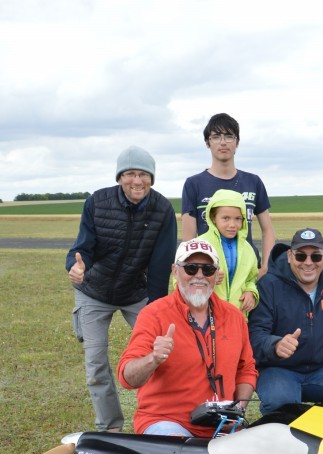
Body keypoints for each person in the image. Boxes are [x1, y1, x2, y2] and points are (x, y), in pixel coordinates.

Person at [67, 145, 178, 432]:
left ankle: (161, 420)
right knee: (96, 364)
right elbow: (83, 248)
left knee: (161, 353)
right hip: (94, 291)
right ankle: (111, 429)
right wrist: (76, 266)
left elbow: (160, 266)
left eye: (144, 174)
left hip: (136, 293)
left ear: (152, 178)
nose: (137, 181)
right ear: (119, 177)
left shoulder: (163, 210)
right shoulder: (97, 202)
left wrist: (157, 309)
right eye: (130, 174)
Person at [117, 239, 257, 438]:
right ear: (175, 271)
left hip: (221, 423)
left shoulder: (234, 316)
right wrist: (153, 359)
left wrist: (238, 409)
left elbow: (246, 369)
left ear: (216, 274)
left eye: (207, 269)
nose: (199, 276)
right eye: (191, 268)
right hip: (167, 421)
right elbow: (127, 378)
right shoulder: (153, 314)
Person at [248, 228, 323, 416]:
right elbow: (255, 334)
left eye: (315, 257)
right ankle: (288, 425)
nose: (308, 263)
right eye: (300, 256)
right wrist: (275, 344)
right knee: (280, 403)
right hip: (278, 368)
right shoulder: (268, 285)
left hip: (322, 366)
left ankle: (313, 427)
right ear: (289, 256)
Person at [181, 113, 276, 273]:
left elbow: (267, 229)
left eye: (229, 136)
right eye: (216, 137)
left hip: (247, 271)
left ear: (237, 142)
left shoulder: (253, 182)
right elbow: (189, 238)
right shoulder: (193, 184)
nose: (223, 142)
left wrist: (266, 267)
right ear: (207, 143)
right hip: (211, 271)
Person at [199, 189, 259, 316]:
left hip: (237, 317)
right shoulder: (199, 245)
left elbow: (251, 278)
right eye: (226, 218)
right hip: (205, 316)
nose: (233, 224)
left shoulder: (248, 249)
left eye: (238, 219)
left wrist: (251, 292)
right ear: (213, 217)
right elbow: (180, 281)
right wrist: (206, 276)